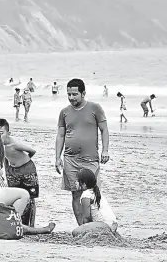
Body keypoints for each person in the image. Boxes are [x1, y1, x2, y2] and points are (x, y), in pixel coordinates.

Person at [55, 78, 109, 225]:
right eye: (69, 94)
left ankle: (94, 224)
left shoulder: (95, 108)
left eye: (74, 94)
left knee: (91, 192)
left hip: (90, 159)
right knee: (76, 193)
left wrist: (105, 150)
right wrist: (57, 158)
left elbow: (104, 130)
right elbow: (60, 135)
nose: (71, 98)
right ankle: (82, 227)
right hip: (70, 159)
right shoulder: (64, 112)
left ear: (83, 93)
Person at [0, 118, 39, 227]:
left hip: (27, 169)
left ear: (8, 133)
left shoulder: (14, 144)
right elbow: (4, 158)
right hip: (13, 172)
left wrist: (25, 161)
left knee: (30, 198)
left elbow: (32, 151)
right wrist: (8, 169)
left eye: (1, 133)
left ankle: (30, 225)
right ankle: (16, 222)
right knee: (15, 196)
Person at [72, 169, 117, 237]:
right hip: (113, 224)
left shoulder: (86, 195)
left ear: (84, 184)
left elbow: (86, 217)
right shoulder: (95, 191)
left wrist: (83, 230)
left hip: (104, 225)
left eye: (77, 181)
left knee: (75, 232)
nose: (75, 182)